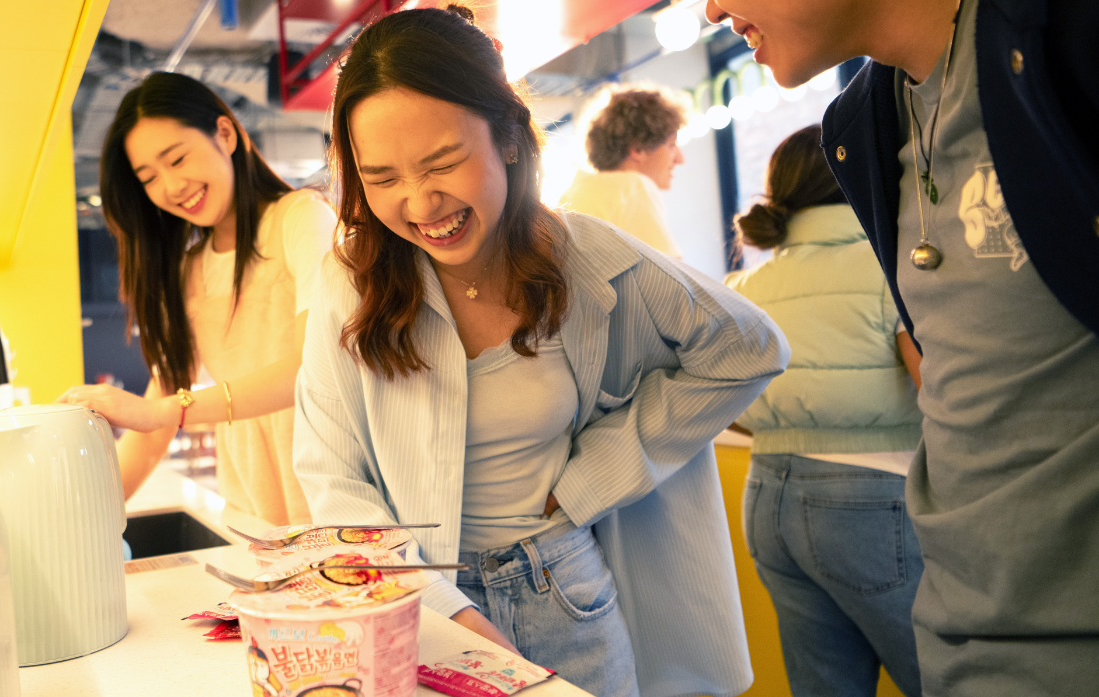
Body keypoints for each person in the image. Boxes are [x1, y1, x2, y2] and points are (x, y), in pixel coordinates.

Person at [292, 6, 789, 696]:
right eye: (382, 179)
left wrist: (599, 469)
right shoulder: (351, 284)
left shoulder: (588, 259)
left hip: (565, 588)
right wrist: (447, 607)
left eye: (443, 162)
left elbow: (748, 345)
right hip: (416, 598)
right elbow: (333, 478)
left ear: (510, 139)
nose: (420, 202)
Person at [705, 0, 1099, 693]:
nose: (711, 10)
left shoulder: (1057, 38)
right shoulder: (860, 130)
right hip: (954, 614)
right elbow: (940, 377)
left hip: (777, 496)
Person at [59, 72, 337, 526]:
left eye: (177, 158)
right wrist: (81, 521)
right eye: (149, 178)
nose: (170, 187)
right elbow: (151, 434)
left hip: (330, 491)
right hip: (252, 508)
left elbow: (314, 368)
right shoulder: (190, 272)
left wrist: (162, 411)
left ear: (224, 134)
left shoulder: (301, 218)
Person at [725, 125, 925, 697]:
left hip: (768, 500)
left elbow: (729, 408)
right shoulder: (893, 268)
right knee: (948, 680)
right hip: (870, 500)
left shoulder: (746, 285)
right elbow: (939, 391)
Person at [558, 84, 687, 259]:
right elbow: (673, 281)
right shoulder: (632, 187)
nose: (680, 159)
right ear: (637, 148)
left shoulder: (573, 195)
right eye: (671, 145)